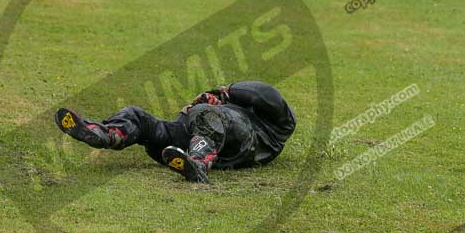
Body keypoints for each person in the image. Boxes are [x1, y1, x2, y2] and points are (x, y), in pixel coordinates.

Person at [54, 81, 296, 183]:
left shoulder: (268, 126)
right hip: (191, 137)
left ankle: (199, 164)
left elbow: (264, 95)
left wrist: (218, 96)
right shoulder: (222, 112)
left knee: (207, 114)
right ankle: (105, 133)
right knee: (142, 118)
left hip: (233, 140)